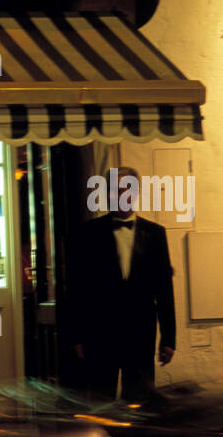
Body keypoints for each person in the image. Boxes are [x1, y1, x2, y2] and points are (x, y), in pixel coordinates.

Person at [72, 166, 175, 401]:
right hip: (100, 332)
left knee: (140, 400)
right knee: (100, 400)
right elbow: (79, 289)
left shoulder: (156, 234)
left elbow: (164, 289)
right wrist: (77, 336)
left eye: (126, 190)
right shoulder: (89, 234)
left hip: (140, 331)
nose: (120, 196)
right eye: (114, 190)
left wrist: (169, 338)